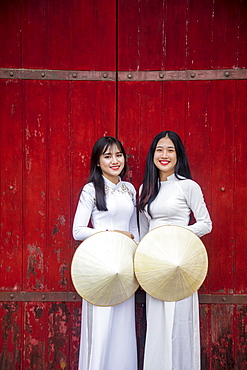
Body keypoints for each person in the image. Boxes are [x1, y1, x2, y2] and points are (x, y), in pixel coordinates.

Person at [138, 131, 212, 370]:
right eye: (159, 149)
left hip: (180, 262)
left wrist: (177, 236)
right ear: (152, 155)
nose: (164, 155)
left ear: (178, 155)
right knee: (158, 323)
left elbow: (205, 223)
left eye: (170, 150)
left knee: (178, 321)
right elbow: (143, 231)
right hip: (154, 267)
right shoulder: (145, 189)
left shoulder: (188, 186)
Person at [73, 136, 139, 370]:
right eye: (107, 156)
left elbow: (133, 229)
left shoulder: (129, 189)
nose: (114, 160)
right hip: (100, 263)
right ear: (97, 161)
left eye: (119, 155)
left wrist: (137, 261)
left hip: (124, 265)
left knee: (122, 325)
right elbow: (78, 230)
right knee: (102, 325)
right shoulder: (91, 189)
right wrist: (113, 233)